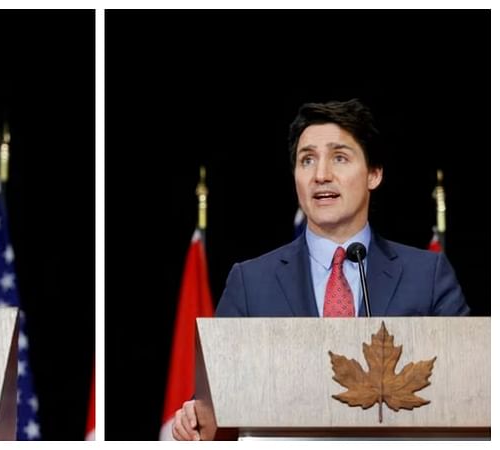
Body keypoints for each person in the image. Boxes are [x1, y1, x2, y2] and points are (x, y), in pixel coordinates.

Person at [171, 98, 469, 440]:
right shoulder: (251, 283)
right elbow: (214, 407)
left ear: (374, 173)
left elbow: (466, 389)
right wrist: (194, 420)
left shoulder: (427, 277)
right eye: (307, 160)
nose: (321, 175)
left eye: (339, 158)